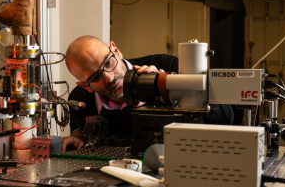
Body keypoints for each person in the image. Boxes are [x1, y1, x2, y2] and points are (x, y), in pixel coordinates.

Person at [61, 35, 233, 153]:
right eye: (96, 77)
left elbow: (227, 116)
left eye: (108, 63)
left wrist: (169, 91)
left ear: (116, 50)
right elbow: (85, 137)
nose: (109, 77)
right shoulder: (80, 100)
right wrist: (79, 138)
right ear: (85, 86)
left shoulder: (169, 66)